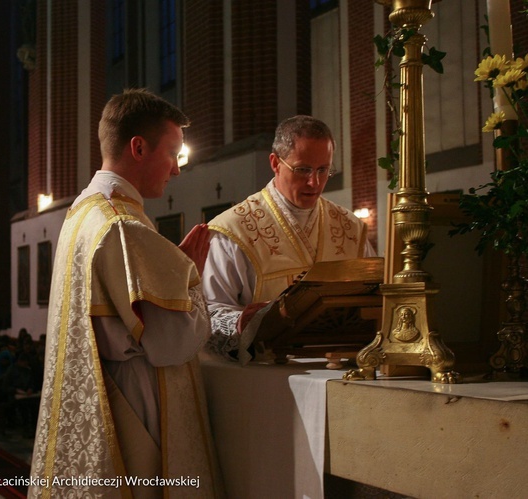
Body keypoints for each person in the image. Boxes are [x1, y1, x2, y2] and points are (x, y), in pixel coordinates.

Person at [28, 88, 223, 498]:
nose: (176, 170)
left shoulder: (83, 211)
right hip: (132, 397)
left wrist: (171, 271)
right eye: (172, 154)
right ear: (138, 147)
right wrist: (190, 279)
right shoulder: (122, 224)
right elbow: (171, 344)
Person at [203, 115, 375, 357]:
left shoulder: (351, 229)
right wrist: (251, 320)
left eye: (323, 170)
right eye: (303, 169)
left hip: (342, 366)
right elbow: (210, 312)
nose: (314, 182)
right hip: (264, 373)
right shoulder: (233, 229)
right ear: (275, 163)